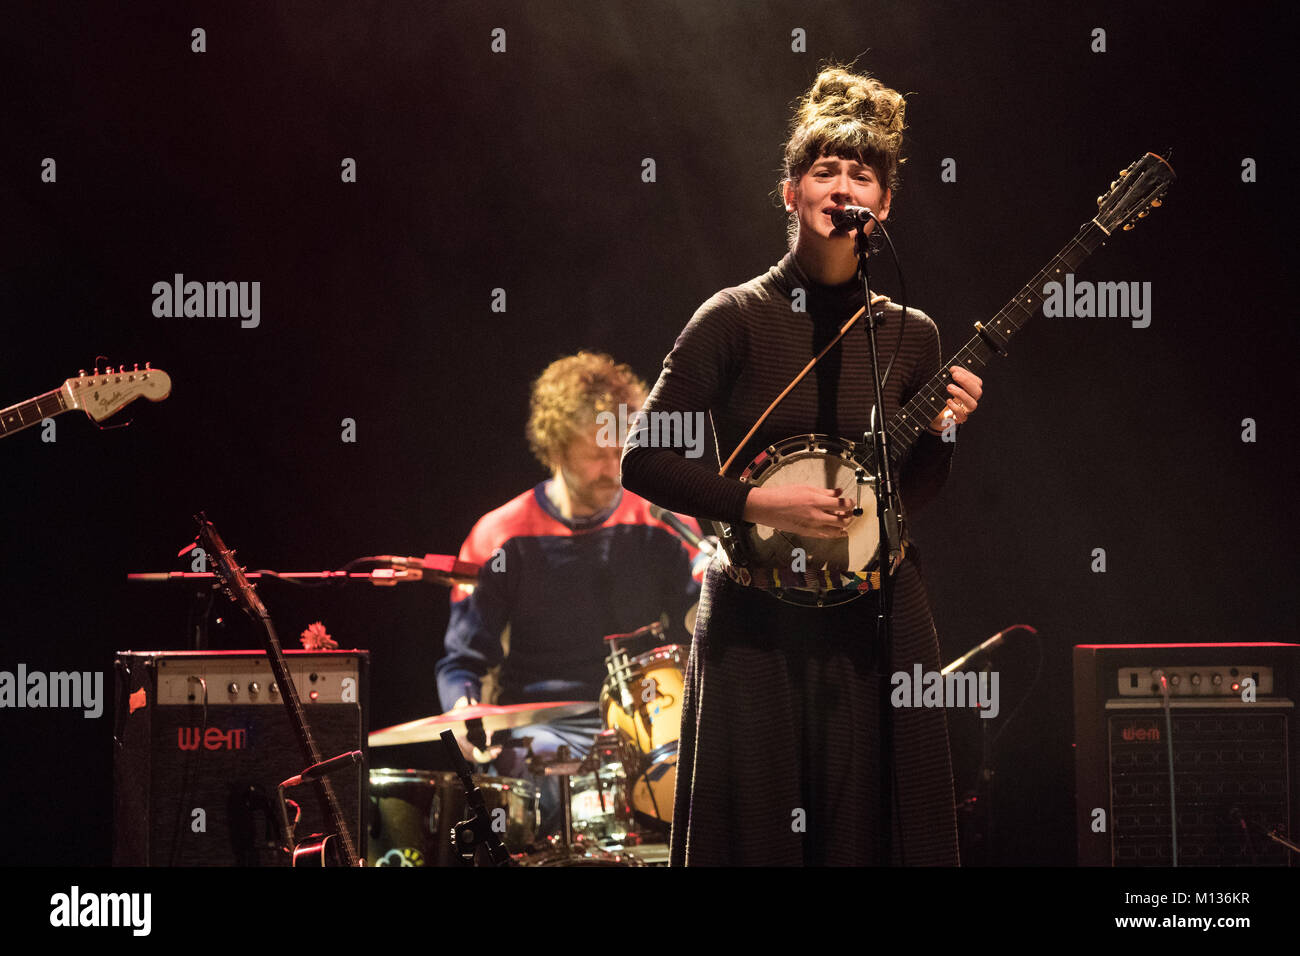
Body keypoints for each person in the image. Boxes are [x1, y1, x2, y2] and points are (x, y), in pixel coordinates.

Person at [620, 64, 984, 865]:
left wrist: (948, 428)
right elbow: (643, 461)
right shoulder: (734, 317)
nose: (844, 185)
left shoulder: (912, 333)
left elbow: (913, 491)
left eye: (863, 174)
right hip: (756, 622)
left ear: (884, 206)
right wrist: (764, 507)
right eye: (825, 170)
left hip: (878, 615)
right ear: (790, 192)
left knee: (887, 830)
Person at [436, 350, 704, 837]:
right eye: (596, 455)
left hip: (650, 716)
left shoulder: (661, 520)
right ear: (557, 449)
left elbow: (705, 614)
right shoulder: (499, 536)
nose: (613, 468)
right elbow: (461, 663)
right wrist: (462, 711)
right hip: (543, 730)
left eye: (621, 451)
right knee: (546, 797)